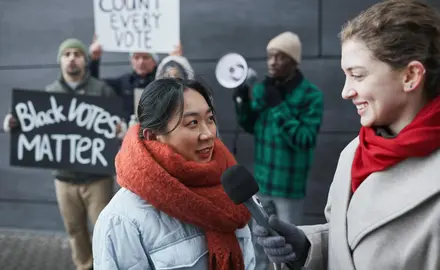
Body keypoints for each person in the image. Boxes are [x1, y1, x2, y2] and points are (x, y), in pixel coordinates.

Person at [253, 1, 440, 269]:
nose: (346, 91)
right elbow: (354, 240)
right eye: (345, 75)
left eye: (358, 75)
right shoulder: (353, 153)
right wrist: (309, 247)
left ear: (410, 75)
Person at [92, 78, 255, 269]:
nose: (208, 134)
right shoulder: (122, 219)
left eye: (210, 119)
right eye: (192, 123)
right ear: (153, 136)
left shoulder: (230, 189)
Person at [3, 38, 121, 270]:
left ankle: (106, 266)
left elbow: (116, 124)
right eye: (66, 54)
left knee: (103, 229)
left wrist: (119, 129)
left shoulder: (102, 90)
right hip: (64, 178)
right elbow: (32, 126)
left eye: (77, 53)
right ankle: (84, 266)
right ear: (60, 61)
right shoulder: (49, 94)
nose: (72, 58)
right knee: (74, 229)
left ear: (85, 60)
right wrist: (14, 124)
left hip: (97, 177)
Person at [233, 31, 323, 269]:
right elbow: (250, 125)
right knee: (259, 243)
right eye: (270, 56)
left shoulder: (311, 95)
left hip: (288, 188)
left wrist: (279, 108)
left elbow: (304, 139)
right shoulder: (263, 89)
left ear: (293, 61)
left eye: (280, 56)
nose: (272, 62)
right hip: (262, 184)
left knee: (287, 249)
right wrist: (241, 99)